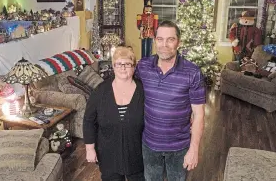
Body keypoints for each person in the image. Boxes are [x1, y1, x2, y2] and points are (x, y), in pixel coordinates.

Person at [135, 20, 206, 181]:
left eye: (170, 39)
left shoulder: (193, 73)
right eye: (160, 39)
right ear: (154, 41)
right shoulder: (143, 67)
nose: (164, 44)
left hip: (179, 148)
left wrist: (194, 149)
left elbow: (199, 115)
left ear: (178, 42)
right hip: (149, 144)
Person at [83, 46, 145, 181]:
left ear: (134, 67)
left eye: (127, 64)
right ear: (113, 66)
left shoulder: (143, 90)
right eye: (119, 64)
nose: (123, 67)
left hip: (137, 154)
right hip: (108, 154)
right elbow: (88, 120)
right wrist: (90, 149)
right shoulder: (100, 91)